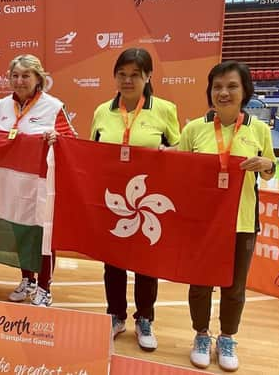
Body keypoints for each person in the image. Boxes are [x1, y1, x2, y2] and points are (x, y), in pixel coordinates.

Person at [179, 60, 275, 372]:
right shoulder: (194, 129)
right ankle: (202, 335)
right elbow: (177, 172)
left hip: (242, 222)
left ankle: (228, 337)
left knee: (235, 287)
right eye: (217, 86)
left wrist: (266, 166)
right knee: (201, 284)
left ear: (245, 91)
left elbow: (272, 170)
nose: (224, 92)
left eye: (232, 86)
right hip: (203, 224)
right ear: (210, 91)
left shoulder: (259, 129)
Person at [90, 47, 180, 352]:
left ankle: (145, 318)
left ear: (148, 76)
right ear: (115, 76)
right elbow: (93, 153)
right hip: (113, 200)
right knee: (113, 262)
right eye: (122, 74)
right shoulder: (103, 111)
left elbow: (179, 152)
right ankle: (115, 315)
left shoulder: (165, 109)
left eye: (135, 75)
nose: (127, 81)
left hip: (148, 200)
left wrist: (171, 155)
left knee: (146, 263)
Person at [0, 54, 76, 307]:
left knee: (43, 235)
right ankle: (27, 279)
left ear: (38, 78)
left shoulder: (53, 106)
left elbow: (73, 141)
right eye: (15, 75)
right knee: (21, 233)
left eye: (26, 75)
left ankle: (44, 287)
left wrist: (58, 140)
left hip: (42, 184)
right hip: (13, 181)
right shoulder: (2, 105)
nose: (20, 81)